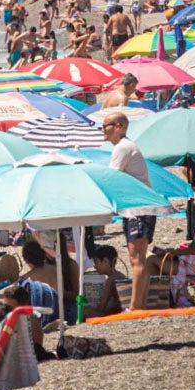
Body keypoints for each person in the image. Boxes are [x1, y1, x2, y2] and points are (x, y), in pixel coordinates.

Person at [103, 112, 155, 311]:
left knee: (136, 259)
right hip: (140, 207)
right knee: (140, 259)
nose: (102, 130)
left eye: (105, 126)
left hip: (138, 208)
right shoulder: (126, 146)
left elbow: (111, 178)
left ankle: (135, 307)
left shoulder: (122, 147)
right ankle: (140, 305)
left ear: (118, 127)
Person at [82, 244, 125, 318]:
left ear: (105, 261)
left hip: (115, 312)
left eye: (96, 262)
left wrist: (88, 308)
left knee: (83, 311)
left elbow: (101, 307)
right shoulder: (120, 275)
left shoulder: (111, 280)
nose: (95, 266)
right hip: (119, 309)